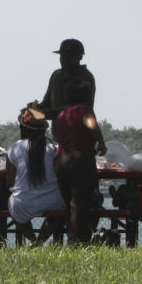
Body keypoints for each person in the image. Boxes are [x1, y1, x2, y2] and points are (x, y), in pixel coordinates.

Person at [51, 82, 107, 245]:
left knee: (68, 202)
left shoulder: (62, 114)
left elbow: (55, 131)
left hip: (60, 159)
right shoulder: (85, 111)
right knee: (80, 202)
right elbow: (93, 127)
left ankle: (72, 236)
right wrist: (101, 143)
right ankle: (76, 241)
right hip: (79, 159)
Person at [6, 106, 65, 245]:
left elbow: (9, 183)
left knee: (14, 208)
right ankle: (40, 241)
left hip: (23, 203)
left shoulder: (15, 148)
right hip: (52, 200)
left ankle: (33, 241)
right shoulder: (55, 148)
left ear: (24, 128)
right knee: (60, 211)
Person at [38, 39, 96, 122]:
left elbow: (75, 112)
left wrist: (43, 113)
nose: (62, 59)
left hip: (79, 131)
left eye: (67, 56)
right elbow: (46, 103)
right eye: (62, 56)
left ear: (79, 57)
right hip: (60, 132)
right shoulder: (56, 76)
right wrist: (34, 109)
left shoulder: (85, 78)